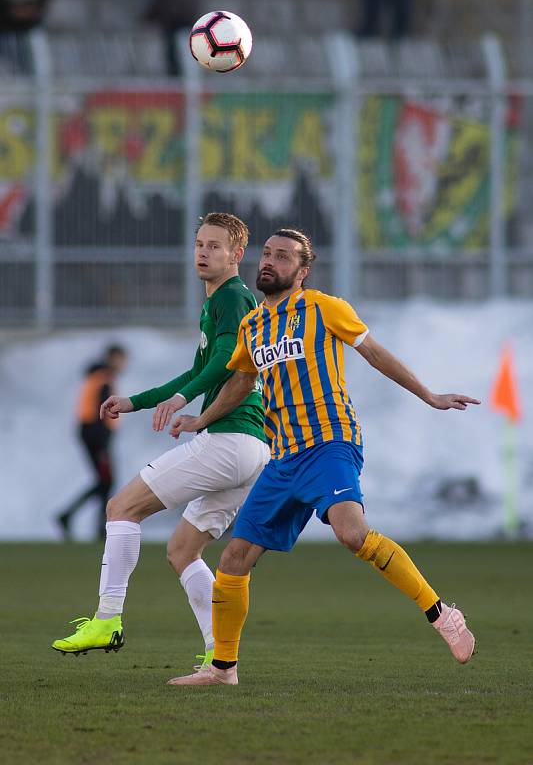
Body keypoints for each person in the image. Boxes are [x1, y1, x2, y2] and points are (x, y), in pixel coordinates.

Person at [166, 228, 480, 686]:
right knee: (233, 560)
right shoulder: (253, 325)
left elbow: (373, 353)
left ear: (303, 270)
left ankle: (440, 613)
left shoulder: (324, 308)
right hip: (284, 456)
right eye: (267, 254)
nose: (270, 262)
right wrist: (201, 418)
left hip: (330, 442)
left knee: (353, 534)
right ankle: (222, 670)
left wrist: (429, 395)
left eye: (283, 256)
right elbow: (239, 382)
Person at [52, 213, 270, 667]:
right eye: (199, 244)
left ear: (236, 254)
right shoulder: (220, 302)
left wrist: (182, 398)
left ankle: (107, 618)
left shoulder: (232, 297)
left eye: (215, 245)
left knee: (121, 508)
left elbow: (229, 363)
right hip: (252, 449)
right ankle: (219, 653)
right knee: (183, 549)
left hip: (229, 440)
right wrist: (137, 400)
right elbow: (198, 370)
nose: (203, 252)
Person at [56, 344, 128, 541]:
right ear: (112, 358)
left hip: (91, 434)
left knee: (104, 481)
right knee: (106, 481)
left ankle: (72, 518)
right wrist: (104, 445)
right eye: (121, 359)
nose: (123, 364)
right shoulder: (104, 378)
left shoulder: (96, 376)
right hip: (97, 436)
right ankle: (94, 527)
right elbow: (102, 412)